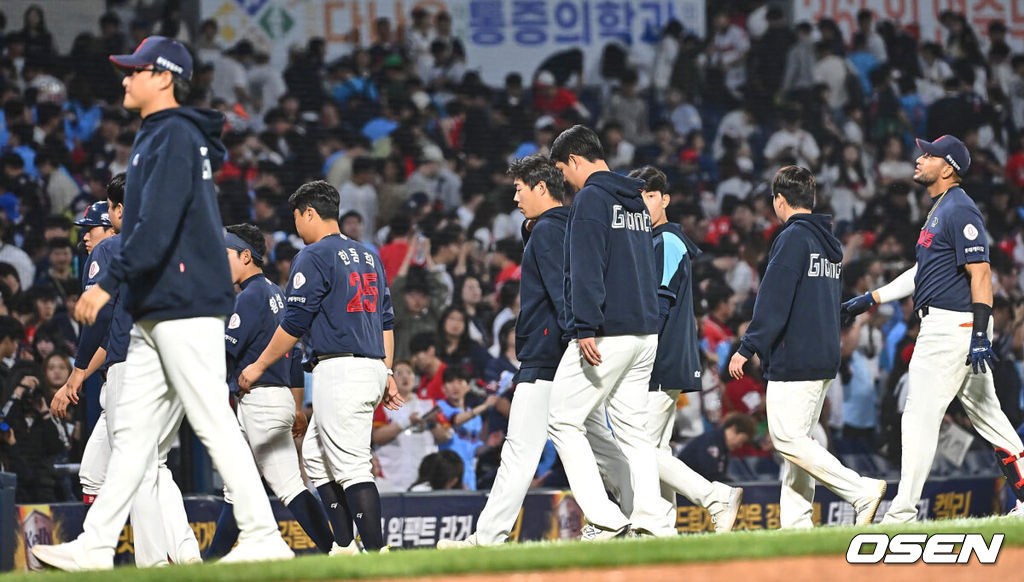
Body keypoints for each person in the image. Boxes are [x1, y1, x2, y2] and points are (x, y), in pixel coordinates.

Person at [33, 37, 292, 570]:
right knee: (134, 437)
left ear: (164, 77)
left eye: (135, 71)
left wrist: (110, 281)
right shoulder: (164, 132)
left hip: (185, 302)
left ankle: (263, 532)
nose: (125, 79)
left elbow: (158, 219)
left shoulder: (172, 133)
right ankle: (98, 544)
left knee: (210, 423)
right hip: (160, 307)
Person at [439, 154, 629, 547]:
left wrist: (576, 333)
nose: (515, 197)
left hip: (548, 353)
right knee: (598, 442)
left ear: (541, 188)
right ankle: (641, 512)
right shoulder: (562, 227)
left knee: (520, 451)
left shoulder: (547, 230)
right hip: (570, 349)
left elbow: (563, 290)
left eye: (520, 189)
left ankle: (488, 538)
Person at [842, 136, 1024, 521]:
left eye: (929, 154)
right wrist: (872, 298)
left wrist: (979, 330)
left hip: (950, 327)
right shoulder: (940, 209)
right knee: (989, 416)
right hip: (952, 326)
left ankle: (902, 513)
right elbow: (923, 272)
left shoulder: (960, 209)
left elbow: (982, 272)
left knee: (918, 415)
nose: (920, 158)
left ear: (948, 167)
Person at [238, 180, 403, 554]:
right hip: (370, 365)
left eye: (297, 217)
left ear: (309, 213)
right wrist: (388, 372)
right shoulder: (367, 254)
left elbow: (294, 323)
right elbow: (387, 321)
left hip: (341, 370)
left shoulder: (313, 255)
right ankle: (344, 546)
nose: (297, 226)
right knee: (314, 457)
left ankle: (377, 556)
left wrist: (260, 365)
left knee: (352, 467)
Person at [52, 174, 201, 567]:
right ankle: (183, 551)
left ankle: (151, 564)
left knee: (138, 469)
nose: (85, 238)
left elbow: (96, 322)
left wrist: (75, 374)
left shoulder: (111, 248)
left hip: (133, 370)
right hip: (172, 368)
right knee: (117, 470)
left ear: (117, 211)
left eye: (91, 228)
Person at [728, 165, 886, 528]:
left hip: (796, 356)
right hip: (823, 355)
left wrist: (748, 345)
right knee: (800, 445)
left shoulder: (793, 238)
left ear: (779, 201)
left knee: (786, 438)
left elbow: (773, 299)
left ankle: (860, 490)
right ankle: (797, 524)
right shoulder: (829, 244)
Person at [547, 125, 672, 538]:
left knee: (563, 420)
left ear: (575, 161)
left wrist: (583, 324)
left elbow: (586, 265)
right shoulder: (636, 200)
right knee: (635, 434)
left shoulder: (591, 198)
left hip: (606, 331)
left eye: (564, 170)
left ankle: (604, 517)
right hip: (644, 329)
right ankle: (652, 521)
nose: (564, 181)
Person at [204, 224, 335, 558]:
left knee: (285, 486)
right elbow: (293, 359)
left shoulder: (250, 295)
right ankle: (210, 561)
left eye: (227, 255)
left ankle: (335, 548)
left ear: (246, 256)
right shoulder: (276, 292)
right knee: (243, 488)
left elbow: (226, 352)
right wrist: (295, 407)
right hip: (276, 398)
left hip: (259, 400)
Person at [631, 166, 743, 533]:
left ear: (665, 199)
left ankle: (714, 497)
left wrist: (641, 356)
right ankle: (663, 526)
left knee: (641, 449)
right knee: (656, 449)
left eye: (650, 195)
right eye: (638, 197)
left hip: (660, 359)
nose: (643, 203)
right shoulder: (654, 241)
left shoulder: (667, 241)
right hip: (664, 358)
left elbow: (659, 307)